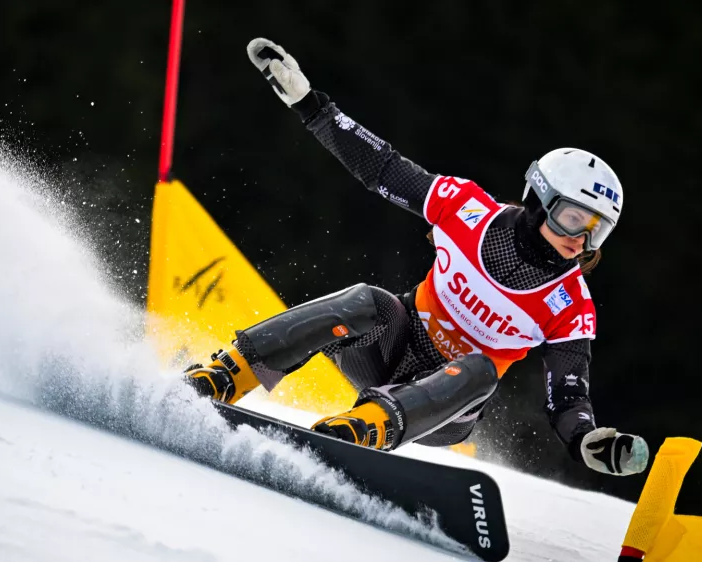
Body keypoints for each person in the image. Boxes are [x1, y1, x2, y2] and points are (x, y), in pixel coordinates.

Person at [184, 38, 648, 477]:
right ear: (540, 198)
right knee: (368, 300)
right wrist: (311, 107)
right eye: (573, 218)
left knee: (481, 367)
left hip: (446, 409)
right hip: (389, 350)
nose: (581, 239)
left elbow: (567, 394)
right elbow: (384, 168)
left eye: (597, 229)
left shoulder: (570, 306)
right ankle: (229, 373)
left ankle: (365, 429)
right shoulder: (468, 210)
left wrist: (585, 438)